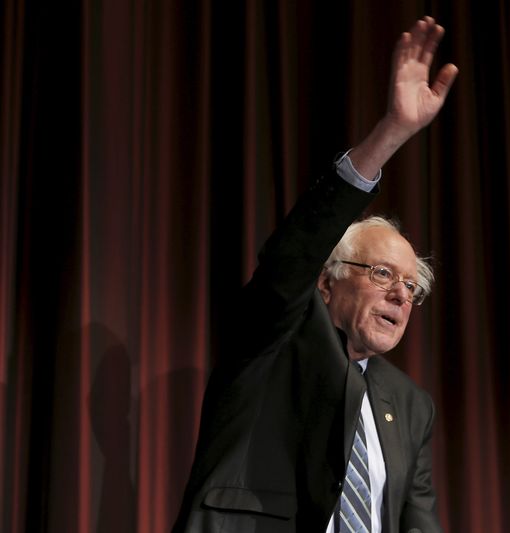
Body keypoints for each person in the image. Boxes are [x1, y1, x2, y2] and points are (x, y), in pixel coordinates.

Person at [172, 16, 458, 533]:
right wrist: (392, 132)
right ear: (327, 281)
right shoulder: (271, 343)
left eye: (411, 287)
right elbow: (293, 256)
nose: (400, 294)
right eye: (381, 273)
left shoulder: (412, 406)